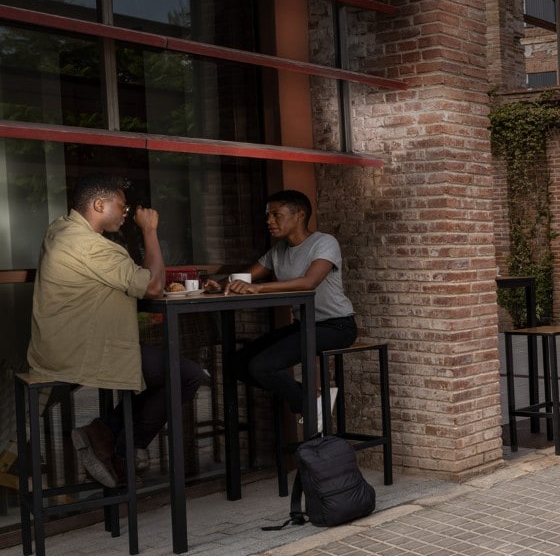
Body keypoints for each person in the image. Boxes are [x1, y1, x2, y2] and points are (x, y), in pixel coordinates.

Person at [28, 174, 208, 487]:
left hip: (60, 344)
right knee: (188, 375)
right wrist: (150, 231)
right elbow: (153, 286)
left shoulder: (60, 228)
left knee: (166, 373)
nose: (126, 213)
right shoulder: (90, 246)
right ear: (99, 204)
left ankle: (105, 435)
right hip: (82, 351)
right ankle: (118, 449)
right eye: (121, 207)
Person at [225, 190, 356, 431]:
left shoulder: (324, 242)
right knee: (237, 363)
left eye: (276, 214)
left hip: (336, 326)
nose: (269, 221)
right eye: (268, 215)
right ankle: (311, 400)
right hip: (303, 325)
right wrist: (223, 283)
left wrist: (258, 288)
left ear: (299, 215)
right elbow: (246, 277)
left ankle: (307, 405)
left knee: (261, 366)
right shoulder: (278, 251)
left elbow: (309, 283)